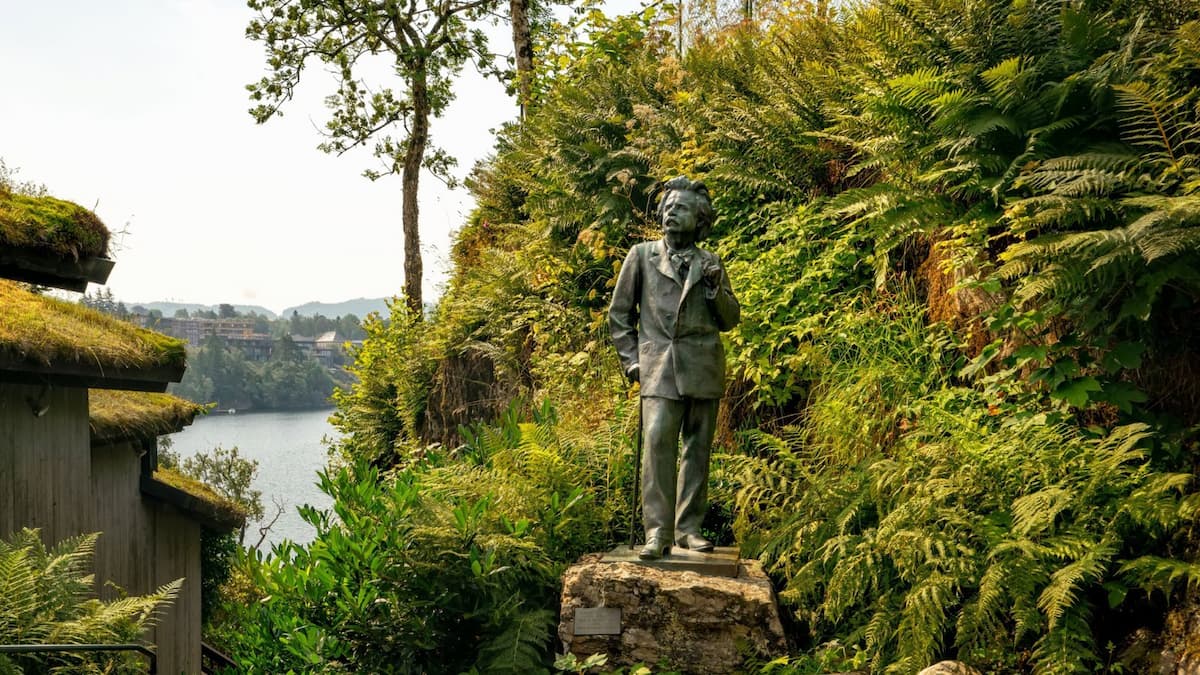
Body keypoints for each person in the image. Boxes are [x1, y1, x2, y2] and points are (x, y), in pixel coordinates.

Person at [608, 176, 741, 560]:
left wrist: (717, 290)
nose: (670, 213)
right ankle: (657, 532)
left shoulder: (711, 262)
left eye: (680, 208)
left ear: (700, 219)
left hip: (702, 366)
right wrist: (631, 360)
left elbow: (730, 319)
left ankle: (688, 529)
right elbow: (619, 316)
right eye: (667, 208)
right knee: (657, 442)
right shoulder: (641, 255)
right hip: (657, 368)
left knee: (697, 451)